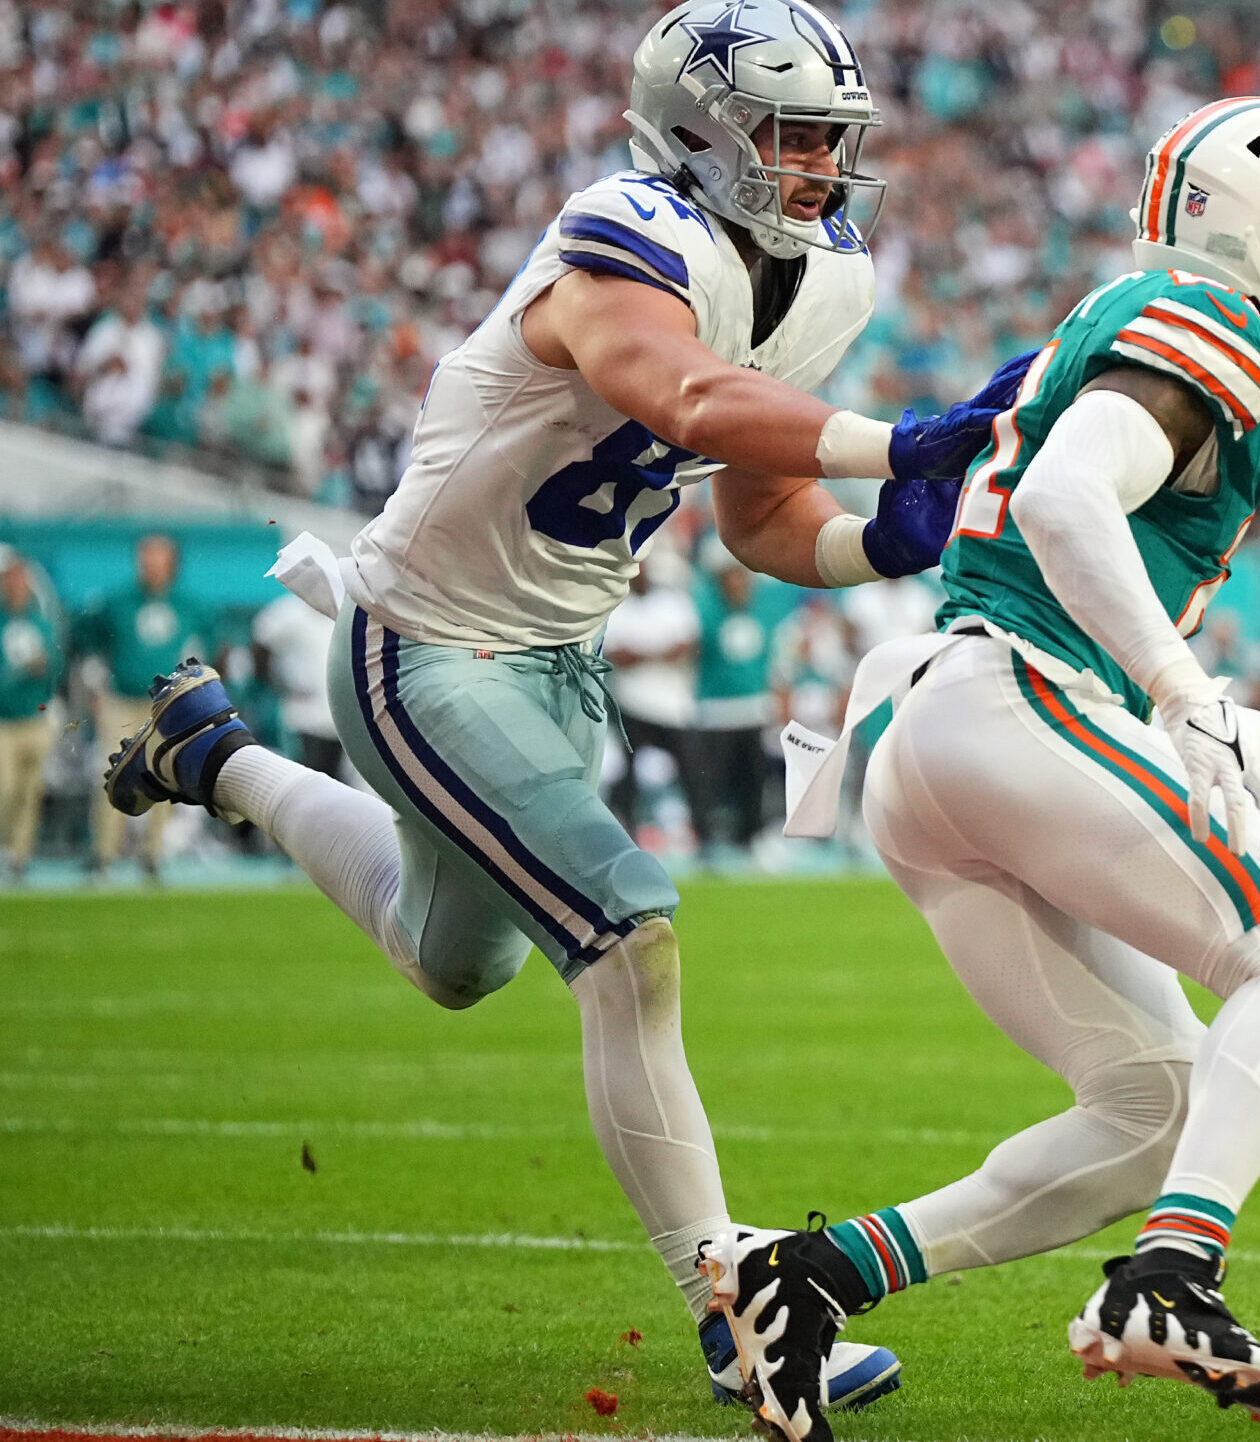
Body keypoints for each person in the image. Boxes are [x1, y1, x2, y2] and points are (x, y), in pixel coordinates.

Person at [97, 0, 1026, 1421]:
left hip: (559, 661)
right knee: (629, 933)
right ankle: (737, 1307)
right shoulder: (621, 229)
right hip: (428, 646)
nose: (820, 167)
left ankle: (214, 754)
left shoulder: (825, 278)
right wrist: (898, 440)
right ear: (701, 130)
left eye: (832, 139)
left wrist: (880, 539)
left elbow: (761, 510)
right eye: (789, 134)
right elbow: (679, 390)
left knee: (453, 960)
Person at [710, 97, 1260, 1428]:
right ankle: (1172, 1278)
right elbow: (1067, 497)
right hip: (1017, 700)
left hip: (939, 744)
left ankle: (810, 1276)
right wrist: (1186, 695)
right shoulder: (1214, 319)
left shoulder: (1138, 315)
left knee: (1153, 1103)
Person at [82, 533, 209, 881]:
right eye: (147, 556)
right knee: (110, 773)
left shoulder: (189, 605)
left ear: (172, 562)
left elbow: (205, 650)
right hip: (121, 698)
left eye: (158, 556)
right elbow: (92, 645)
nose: (151, 563)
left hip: (167, 702)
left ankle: (153, 855)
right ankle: (103, 855)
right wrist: (94, 685)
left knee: (163, 776)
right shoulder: (117, 601)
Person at [688, 554, 787, 857]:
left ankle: (752, 837)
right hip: (718, 711)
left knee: (754, 780)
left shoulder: (761, 617)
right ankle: (706, 839)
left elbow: (770, 664)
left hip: (753, 709)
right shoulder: (707, 616)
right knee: (713, 782)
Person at [601, 557, 701, 838]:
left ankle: (699, 834)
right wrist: (659, 653)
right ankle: (626, 831)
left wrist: (642, 654)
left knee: (692, 774)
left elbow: (687, 648)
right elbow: (617, 656)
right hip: (633, 705)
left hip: (673, 706)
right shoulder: (617, 607)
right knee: (626, 776)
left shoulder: (673, 602)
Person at [0, 548, 63, 881]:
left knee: (30, 790)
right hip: (4, 719)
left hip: (35, 716)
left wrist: (45, 669)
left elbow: (57, 667)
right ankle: (7, 842)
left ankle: (19, 857)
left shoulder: (42, 622)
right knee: (5, 787)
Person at [252, 587, 344, 782]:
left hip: (343, 722)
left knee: (341, 786)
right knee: (306, 780)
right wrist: (277, 683)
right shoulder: (289, 611)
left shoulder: (348, 611)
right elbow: (260, 644)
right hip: (303, 718)